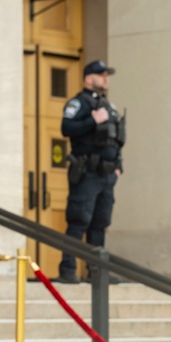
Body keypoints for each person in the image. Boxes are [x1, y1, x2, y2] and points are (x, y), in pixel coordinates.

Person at [55, 60, 126, 284]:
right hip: (87, 172)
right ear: (89, 78)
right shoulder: (78, 103)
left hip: (106, 175)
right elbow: (66, 128)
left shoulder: (109, 106)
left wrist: (117, 168)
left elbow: (116, 140)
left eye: (107, 75)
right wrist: (91, 121)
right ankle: (68, 269)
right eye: (101, 75)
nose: (106, 79)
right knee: (79, 220)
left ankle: (97, 272)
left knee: (100, 222)